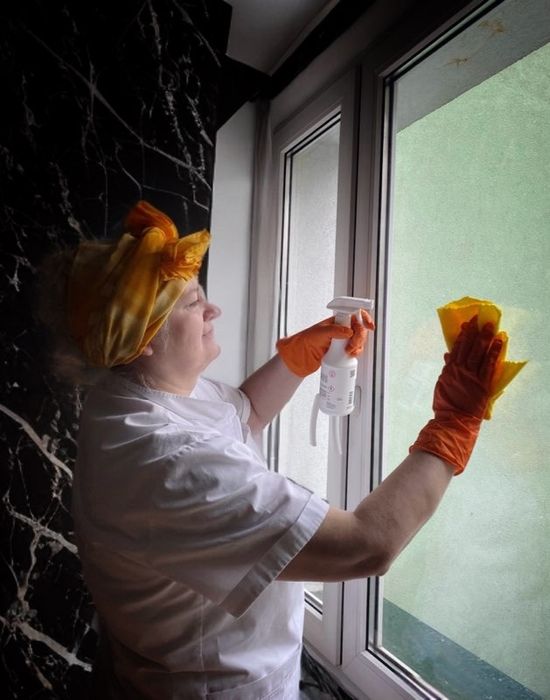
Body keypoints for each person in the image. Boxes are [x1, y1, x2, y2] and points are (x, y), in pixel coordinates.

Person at [46, 200, 503, 699]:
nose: (213, 310)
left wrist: (298, 358)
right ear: (143, 338)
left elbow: (239, 416)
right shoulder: (165, 463)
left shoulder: (130, 396)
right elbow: (366, 545)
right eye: (193, 303)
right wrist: (454, 424)